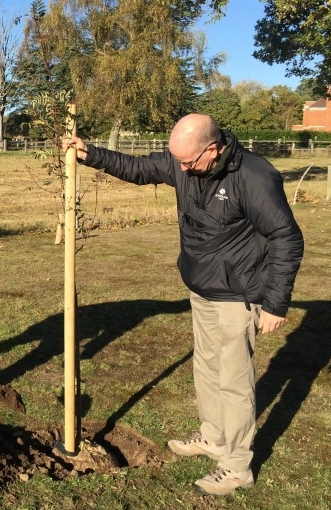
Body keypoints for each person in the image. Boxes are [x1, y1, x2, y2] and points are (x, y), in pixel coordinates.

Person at [63, 113, 304, 496]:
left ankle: (237, 465)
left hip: (238, 295)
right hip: (201, 287)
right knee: (206, 368)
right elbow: (138, 167)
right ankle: (213, 437)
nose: (182, 169)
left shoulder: (254, 177)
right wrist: (90, 153)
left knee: (234, 381)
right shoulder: (182, 161)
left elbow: (286, 238)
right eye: (178, 161)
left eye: (189, 162)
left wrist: (276, 303)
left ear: (213, 148)